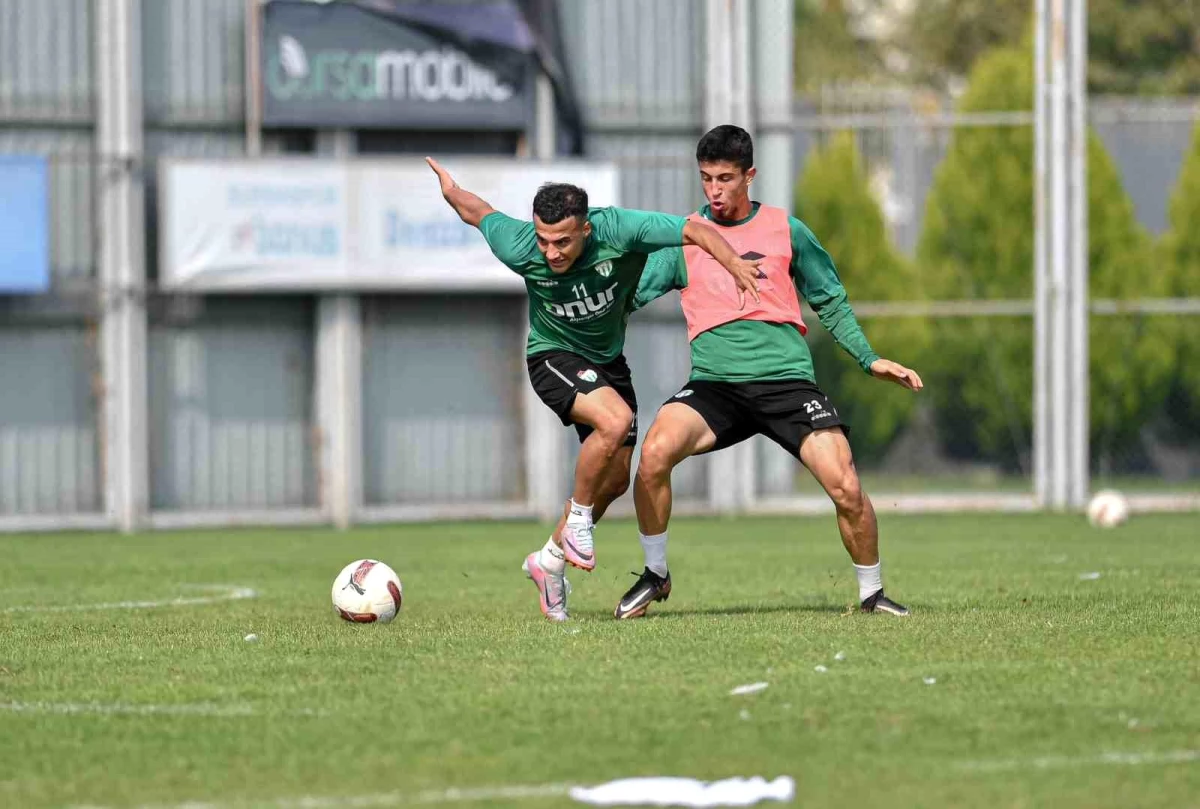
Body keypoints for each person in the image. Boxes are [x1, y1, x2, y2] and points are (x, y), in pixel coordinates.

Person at [426, 157, 762, 622]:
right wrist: (450, 188)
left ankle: (548, 562)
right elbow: (478, 212)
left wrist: (735, 266)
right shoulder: (520, 245)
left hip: (608, 364)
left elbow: (696, 232)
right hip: (552, 356)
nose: (552, 253)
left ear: (586, 229)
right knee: (616, 420)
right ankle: (579, 521)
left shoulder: (620, 229)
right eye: (544, 241)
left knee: (617, 479)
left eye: (563, 241)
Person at [613, 125, 922, 620]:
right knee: (652, 456)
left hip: (787, 385)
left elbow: (831, 301)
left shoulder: (787, 230)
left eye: (725, 179)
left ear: (750, 175)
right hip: (715, 388)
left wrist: (869, 359)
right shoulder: (686, 239)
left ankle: (872, 593)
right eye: (706, 179)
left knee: (845, 485)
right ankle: (656, 575)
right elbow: (626, 299)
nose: (714, 191)